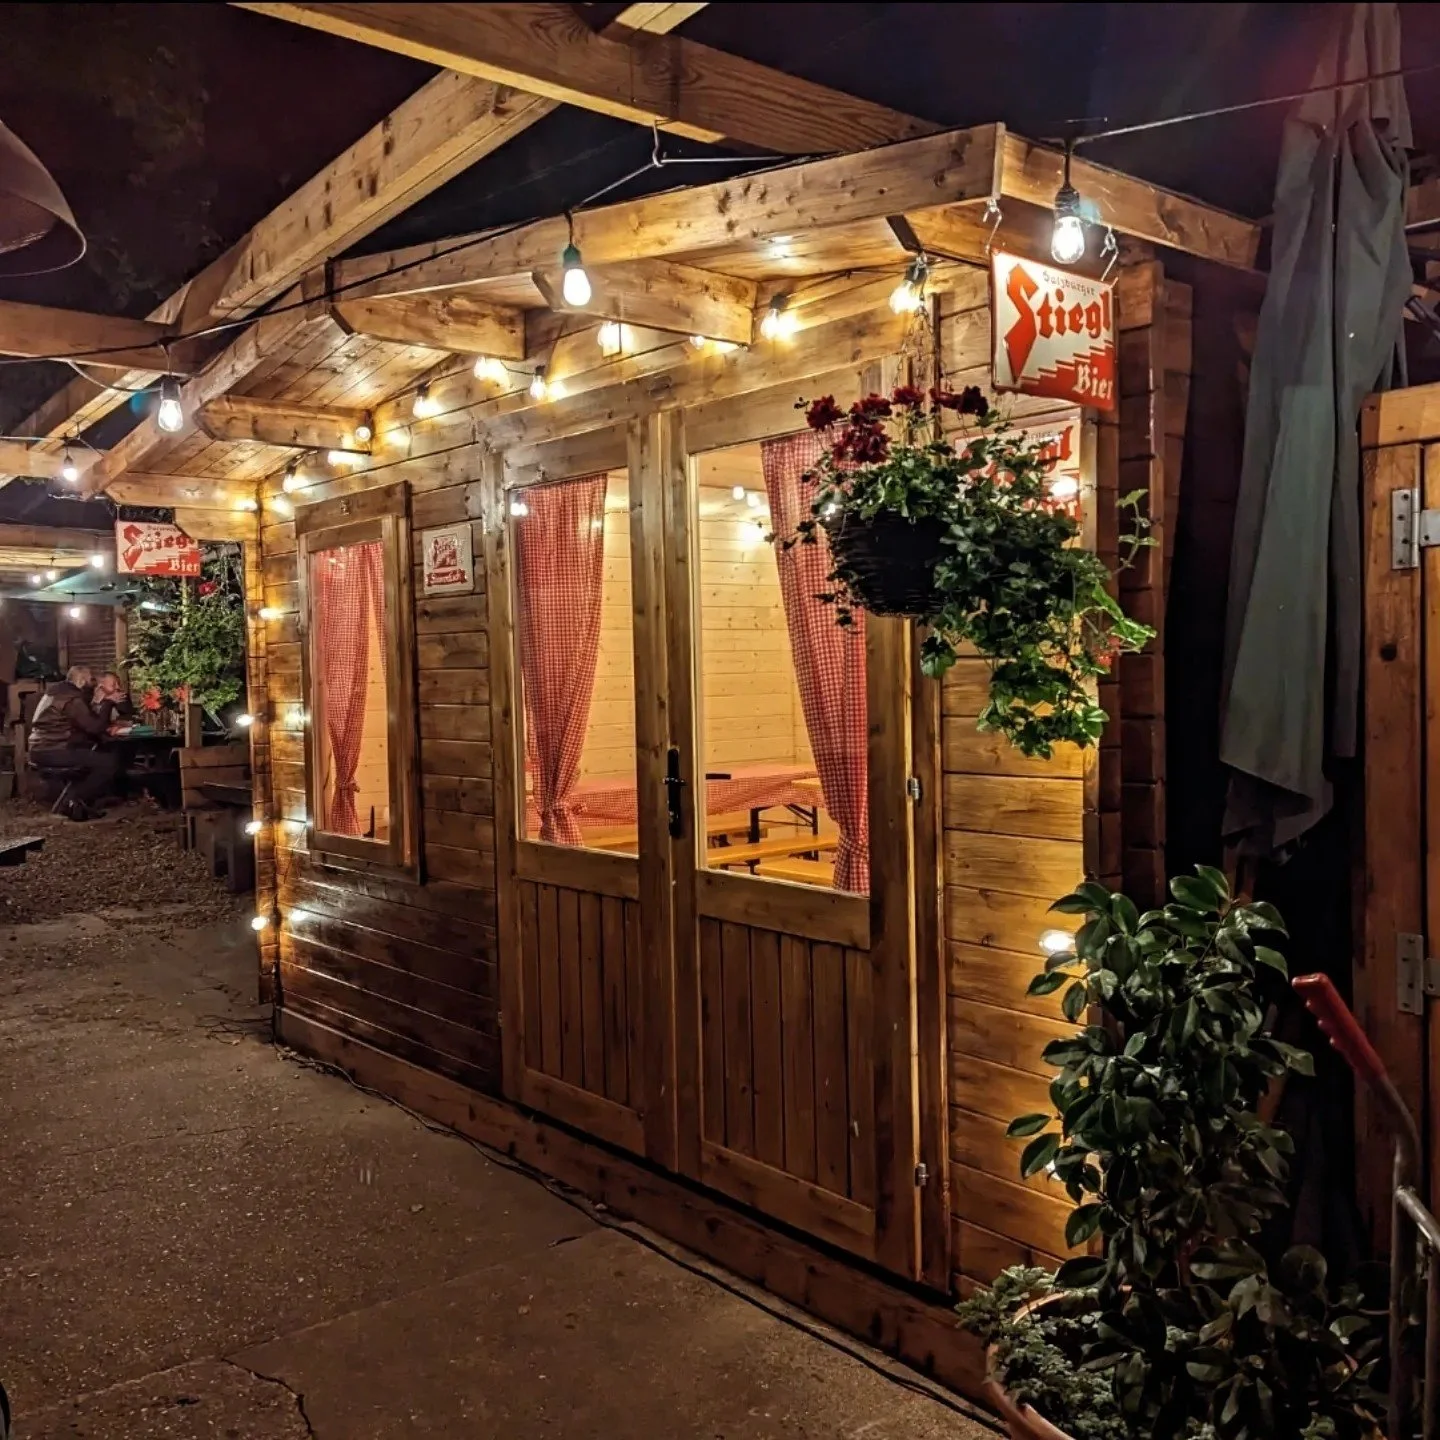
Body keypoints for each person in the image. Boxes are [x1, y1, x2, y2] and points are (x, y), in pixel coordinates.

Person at [27, 665, 119, 820]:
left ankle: (77, 803)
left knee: (95, 757)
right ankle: (72, 799)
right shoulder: (72, 699)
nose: (94, 683)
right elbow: (94, 728)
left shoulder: (56, 693)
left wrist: (97, 704)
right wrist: (108, 703)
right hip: (53, 750)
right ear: (82, 681)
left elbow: (80, 722)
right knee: (109, 763)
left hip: (40, 749)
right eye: (91, 679)